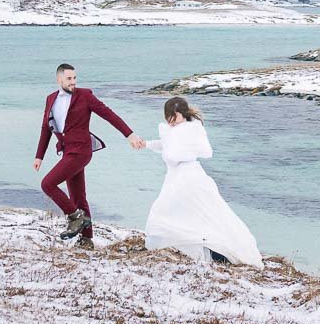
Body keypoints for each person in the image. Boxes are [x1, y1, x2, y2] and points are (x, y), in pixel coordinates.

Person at [142, 96, 262, 268]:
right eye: (168, 117)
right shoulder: (179, 129)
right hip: (179, 176)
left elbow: (203, 152)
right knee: (186, 213)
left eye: (173, 117)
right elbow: (167, 145)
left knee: (181, 211)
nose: (170, 121)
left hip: (187, 176)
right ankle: (199, 248)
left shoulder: (190, 129)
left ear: (181, 113)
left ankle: (216, 250)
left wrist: (176, 154)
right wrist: (147, 144)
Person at [34, 63, 144, 247]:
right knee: (78, 196)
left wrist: (129, 134)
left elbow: (108, 114)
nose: (73, 82)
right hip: (67, 151)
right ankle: (86, 239)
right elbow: (46, 128)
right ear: (59, 79)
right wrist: (39, 156)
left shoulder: (85, 96)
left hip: (81, 151)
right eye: (69, 78)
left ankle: (75, 217)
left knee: (48, 184)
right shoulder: (50, 99)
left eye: (75, 78)